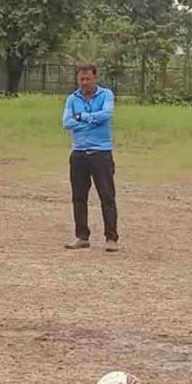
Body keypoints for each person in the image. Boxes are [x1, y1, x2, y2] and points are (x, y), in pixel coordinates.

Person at [62, 65, 119, 252]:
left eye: (88, 79)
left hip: (101, 153)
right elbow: (67, 122)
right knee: (79, 197)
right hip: (79, 153)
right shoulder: (72, 98)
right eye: (81, 79)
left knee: (107, 196)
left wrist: (82, 118)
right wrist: (91, 121)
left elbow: (106, 115)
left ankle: (111, 238)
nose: (84, 83)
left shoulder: (106, 95)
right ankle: (81, 236)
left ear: (95, 78)